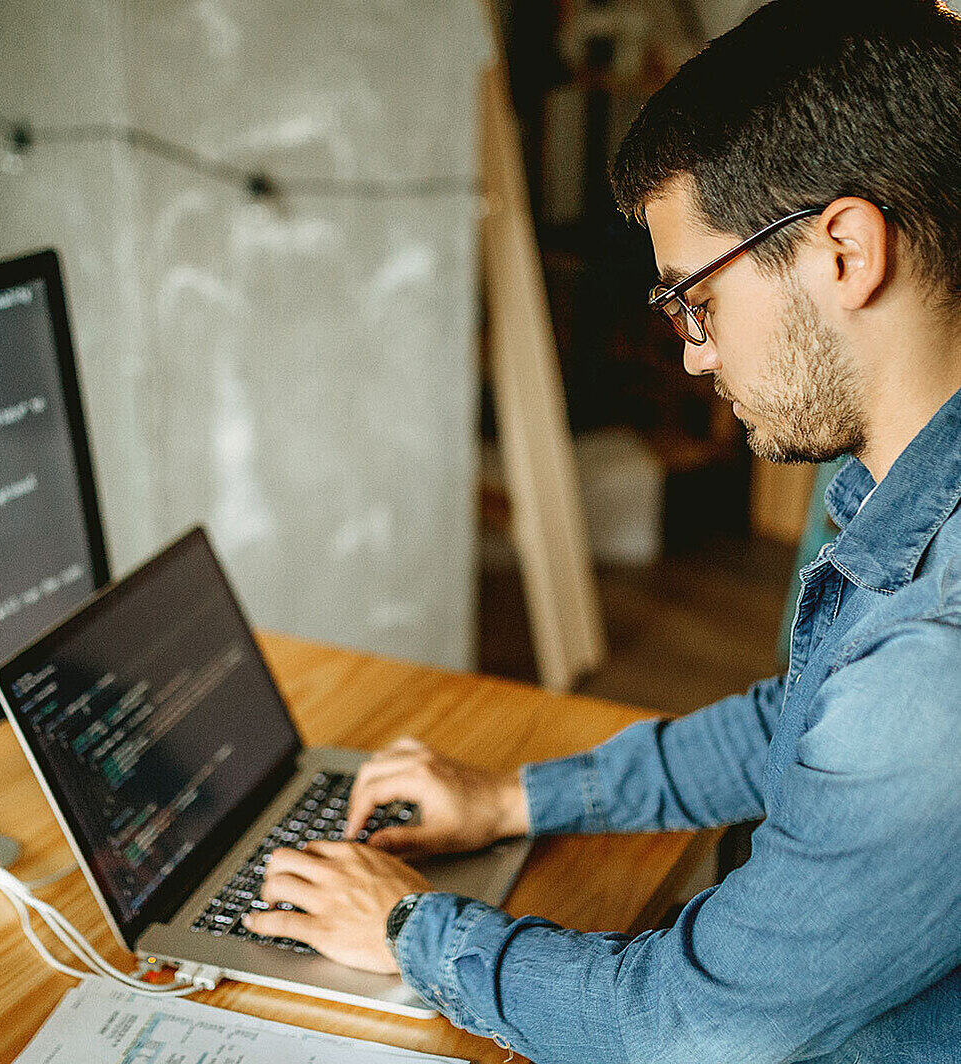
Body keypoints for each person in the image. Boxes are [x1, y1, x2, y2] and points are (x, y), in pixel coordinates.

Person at [243, 1, 961, 1060]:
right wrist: (511, 796)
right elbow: (804, 728)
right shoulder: (908, 488)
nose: (693, 355)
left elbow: (685, 1023)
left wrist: (406, 927)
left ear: (847, 251)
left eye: (695, 301)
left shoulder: (933, 651)